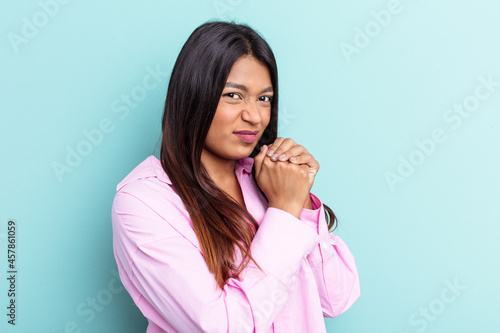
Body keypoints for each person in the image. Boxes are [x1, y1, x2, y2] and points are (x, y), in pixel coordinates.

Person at [111, 21, 360, 333]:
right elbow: (224, 326)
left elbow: (336, 300)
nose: (255, 116)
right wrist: (283, 210)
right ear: (194, 95)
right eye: (233, 95)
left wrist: (301, 203)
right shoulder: (144, 203)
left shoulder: (267, 181)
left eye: (264, 98)